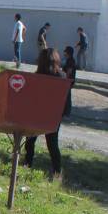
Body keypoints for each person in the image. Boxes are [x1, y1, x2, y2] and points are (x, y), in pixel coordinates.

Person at [23, 48, 66, 181]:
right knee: (53, 144)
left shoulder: (37, 76)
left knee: (30, 141)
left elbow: (30, 97)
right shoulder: (62, 76)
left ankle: (27, 165)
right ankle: (57, 172)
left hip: (37, 112)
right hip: (53, 114)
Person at [61, 46, 77, 117]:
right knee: (67, 96)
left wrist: (65, 80)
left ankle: (67, 112)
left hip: (68, 81)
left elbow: (69, 71)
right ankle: (66, 112)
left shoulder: (70, 60)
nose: (64, 53)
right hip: (68, 81)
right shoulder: (69, 59)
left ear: (68, 53)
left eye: (65, 51)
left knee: (67, 97)